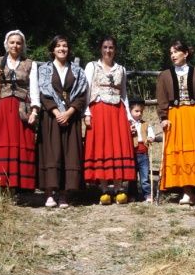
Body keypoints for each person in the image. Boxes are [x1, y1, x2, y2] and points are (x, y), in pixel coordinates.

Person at [156, 40, 195, 205]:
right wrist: (163, 118)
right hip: (175, 116)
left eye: (176, 52)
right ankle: (186, 191)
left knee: (193, 152)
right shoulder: (165, 75)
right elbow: (161, 99)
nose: (173, 55)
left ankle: (193, 191)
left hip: (193, 116)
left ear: (186, 53)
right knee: (180, 153)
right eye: (171, 53)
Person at [0, 29, 39, 191]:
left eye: (18, 43)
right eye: (12, 42)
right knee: (0, 142)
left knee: (21, 143)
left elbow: (34, 89)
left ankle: (19, 184)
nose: (15, 45)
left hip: (21, 110)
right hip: (0, 109)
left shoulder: (30, 64)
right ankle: (0, 182)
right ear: (6, 44)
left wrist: (34, 111)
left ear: (23, 45)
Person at [83, 36, 136, 205]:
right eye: (105, 47)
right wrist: (86, 112)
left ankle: (119, 187)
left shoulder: (121, 69)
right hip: (98, 110)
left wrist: (128, 117)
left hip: (117, 111)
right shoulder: (92, 66)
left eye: (111, 47)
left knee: (118, 146)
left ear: (115, 49)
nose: (108, 50)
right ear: (100, 49)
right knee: (102, 145)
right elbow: (86, 90)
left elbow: (124, 95)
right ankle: (105, 188)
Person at [37, 35, 88, 208]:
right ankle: (50, 193)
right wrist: (57, 112)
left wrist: (69, 112)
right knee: (52, 153)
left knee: (69, 153)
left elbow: (82, 95)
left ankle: (64, 195)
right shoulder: (44, 70)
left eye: (65, 46)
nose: (62, 49)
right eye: (58, 46)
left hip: (71, 118)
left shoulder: (77, 71)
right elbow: (43, 93)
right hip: (50, 117)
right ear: (52, 49)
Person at [127, 98, 155, 202]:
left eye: (141, 111)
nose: (139, 113)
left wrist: (151, 137)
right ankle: (132, 195)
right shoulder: (128, 124)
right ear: (130, 111)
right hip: (132, 154)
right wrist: (129, 131)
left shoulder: (145, 124)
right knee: (132, 177)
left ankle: (147, 194)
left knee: (144, 177)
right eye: (136, 111)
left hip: (143, 154)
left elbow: (151, 132)